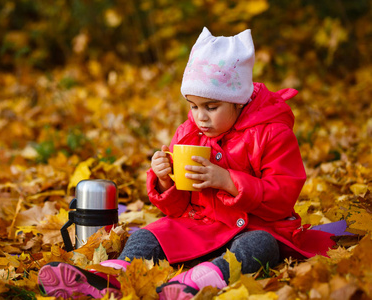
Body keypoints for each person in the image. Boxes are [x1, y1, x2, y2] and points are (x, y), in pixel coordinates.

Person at [38, 27, 336, 299]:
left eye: (211, 106)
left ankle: (196, 283)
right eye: (193, 106)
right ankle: (109, 276)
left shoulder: (272, 133)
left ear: (239, 100)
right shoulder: (189, 132)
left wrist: (227, 180)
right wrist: (165, 180)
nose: (200, 117)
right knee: (150, 233)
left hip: (257, 226)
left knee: (259, 247)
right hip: (200, 225)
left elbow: (282, 197)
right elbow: (179, 208)